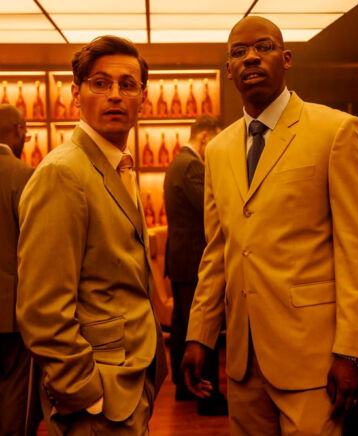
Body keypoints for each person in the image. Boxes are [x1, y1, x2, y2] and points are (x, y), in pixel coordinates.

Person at [182, 16, 358, 436]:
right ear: (229, 69)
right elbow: (218, 250)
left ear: (286, 59)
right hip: (243, 361)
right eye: (239, 52)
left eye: (264, 47)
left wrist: (352, 351)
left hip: (314, 360)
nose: (251, 57)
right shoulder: (218, 150)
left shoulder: (335, 131)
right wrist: (199, 334)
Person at [16, 36, 167, 436]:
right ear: (75, 94)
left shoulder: (117, 164)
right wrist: (86, 394)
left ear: (143, 99)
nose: (115, 94)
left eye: (127, 85)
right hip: (98, 403)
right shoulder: (63, 173)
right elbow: (42, 310)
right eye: (100, 83)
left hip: (131, 382)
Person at [164, 115, 227, 415]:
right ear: (204, 138)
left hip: (181, 258)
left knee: (182, 327)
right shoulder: (191, 165)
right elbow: (211, 209)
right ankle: (208, 397)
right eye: (215, 140)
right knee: (202, 329)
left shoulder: (178, 162)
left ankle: (184, 388)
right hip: (192, 260)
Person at [0, 105, 39, 435]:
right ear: (18, 129)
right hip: (12, 311)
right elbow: (36, 247)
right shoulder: (23, 175)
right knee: (17, 394)